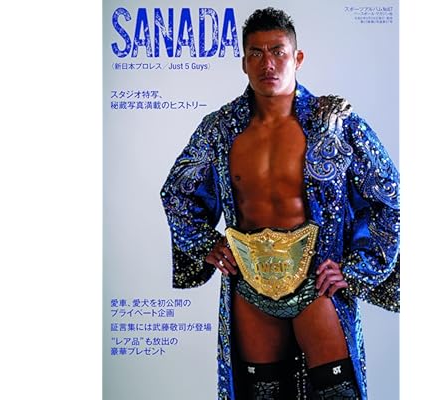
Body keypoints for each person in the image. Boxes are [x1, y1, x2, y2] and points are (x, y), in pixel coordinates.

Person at [161, 7, 400, 400]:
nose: (267, 63)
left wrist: (357, 267)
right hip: (249, 287)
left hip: (318, 285)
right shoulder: (219, 129)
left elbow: (389, 197)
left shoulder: (334, 123)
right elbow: (177, 191)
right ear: (243, 62)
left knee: (338, 392)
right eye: (255, 53)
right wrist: (206, 245)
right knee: (261, 393)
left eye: (277, 51)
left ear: (297, 57)